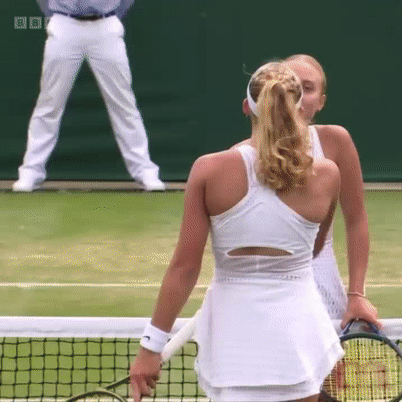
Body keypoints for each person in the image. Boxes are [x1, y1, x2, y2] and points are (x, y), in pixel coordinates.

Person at [129, 62, 343, 402]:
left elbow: (185, 268)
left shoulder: (208, 170)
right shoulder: (328, 175)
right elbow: (315, 249)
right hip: (297, 335)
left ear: (247, 107)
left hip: (232, 340)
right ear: (298, 108)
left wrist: (150, 347)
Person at [235, 55, 380, 329]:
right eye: (291, 86)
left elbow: (356, 219)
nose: (298, 96)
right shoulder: (236, 158)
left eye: (308, 88)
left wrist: (357, 294)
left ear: (321, 102)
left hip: (321, 289)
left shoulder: (336, 141)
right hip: (259, 294)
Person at [13, 0, 164, 192]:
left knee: (124, 104)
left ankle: (145, 171)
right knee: (49, 102)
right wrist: (56, 14)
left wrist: (111, 15)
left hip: (105, 25)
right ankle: (31, 171)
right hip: (64, 24)